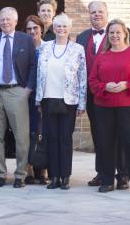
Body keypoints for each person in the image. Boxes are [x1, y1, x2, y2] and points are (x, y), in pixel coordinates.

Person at [88, 19, 130, 196]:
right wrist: (105, 87)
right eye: (111, 33)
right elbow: (93, 81)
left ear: (125, 34)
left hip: (129, 105)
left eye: (118, 32)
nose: (115, 35)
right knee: (105, 144)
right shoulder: (102, 56)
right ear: (108, 36)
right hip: (104, 107)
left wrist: (127, 84)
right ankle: (107, 181)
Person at [0, 7, 37, 188]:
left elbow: (33, 67)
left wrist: (27, 89)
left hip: (17, 92)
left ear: (15, 20)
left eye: (8, 19)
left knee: (21, 136)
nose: (5, 22)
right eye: (2, 19)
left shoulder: (26, 40)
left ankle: (20, 174)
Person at [76, 0, 128, 189]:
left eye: (100, 12)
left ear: (107, 13)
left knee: (119, 134)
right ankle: (102, 172)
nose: (96, 15)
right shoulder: (81, 37)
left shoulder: (117, 34)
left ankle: (123, 174)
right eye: (93, 12)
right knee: (99, 134)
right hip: (93, 95)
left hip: (116, 94)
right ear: (89, 15)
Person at [35, 13, 86, 190]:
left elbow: (82, 77)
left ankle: (65, 176)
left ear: (69, 28)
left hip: (69, 100)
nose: (61, 29)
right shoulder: (45, 48)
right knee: (51, 138)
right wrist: (37, 100)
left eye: (64, 26)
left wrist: (82, 103)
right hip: (48, 98)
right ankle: (54, 176)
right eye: (58, 26)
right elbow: (38, 75)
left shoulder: (77, 49)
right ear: (53, 28)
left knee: (65, 138)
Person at [23, 15, 47, 185]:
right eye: (29, 29)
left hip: (45, 96)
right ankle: (28, 168)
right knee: (28, 133)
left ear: (41, 30)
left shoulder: (48, 48)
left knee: (43, 133)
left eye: (35, 28)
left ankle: (43, 169)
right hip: (26, 96)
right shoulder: (22, 48)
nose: (32, 32)